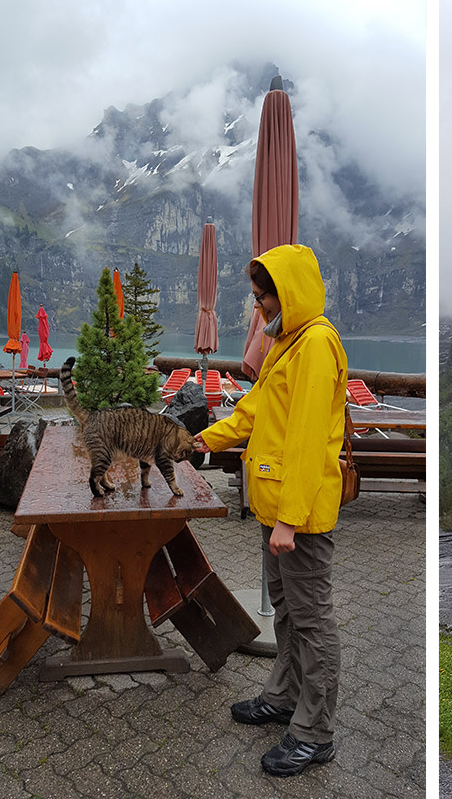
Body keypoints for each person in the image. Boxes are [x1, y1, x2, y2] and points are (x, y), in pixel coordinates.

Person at [195, 244, 347, 777]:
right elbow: (254, 412)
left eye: (264, 297)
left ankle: (314, 733)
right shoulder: (286, 342)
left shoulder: (316, 345)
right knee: (285, 611)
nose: (257, 306)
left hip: (297, 518)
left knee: (311, 620)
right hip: (275, 509)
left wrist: (288, 520)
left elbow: (307, 440)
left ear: (289, 293)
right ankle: (284, 697)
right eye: (257, 297)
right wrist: (202, 441)